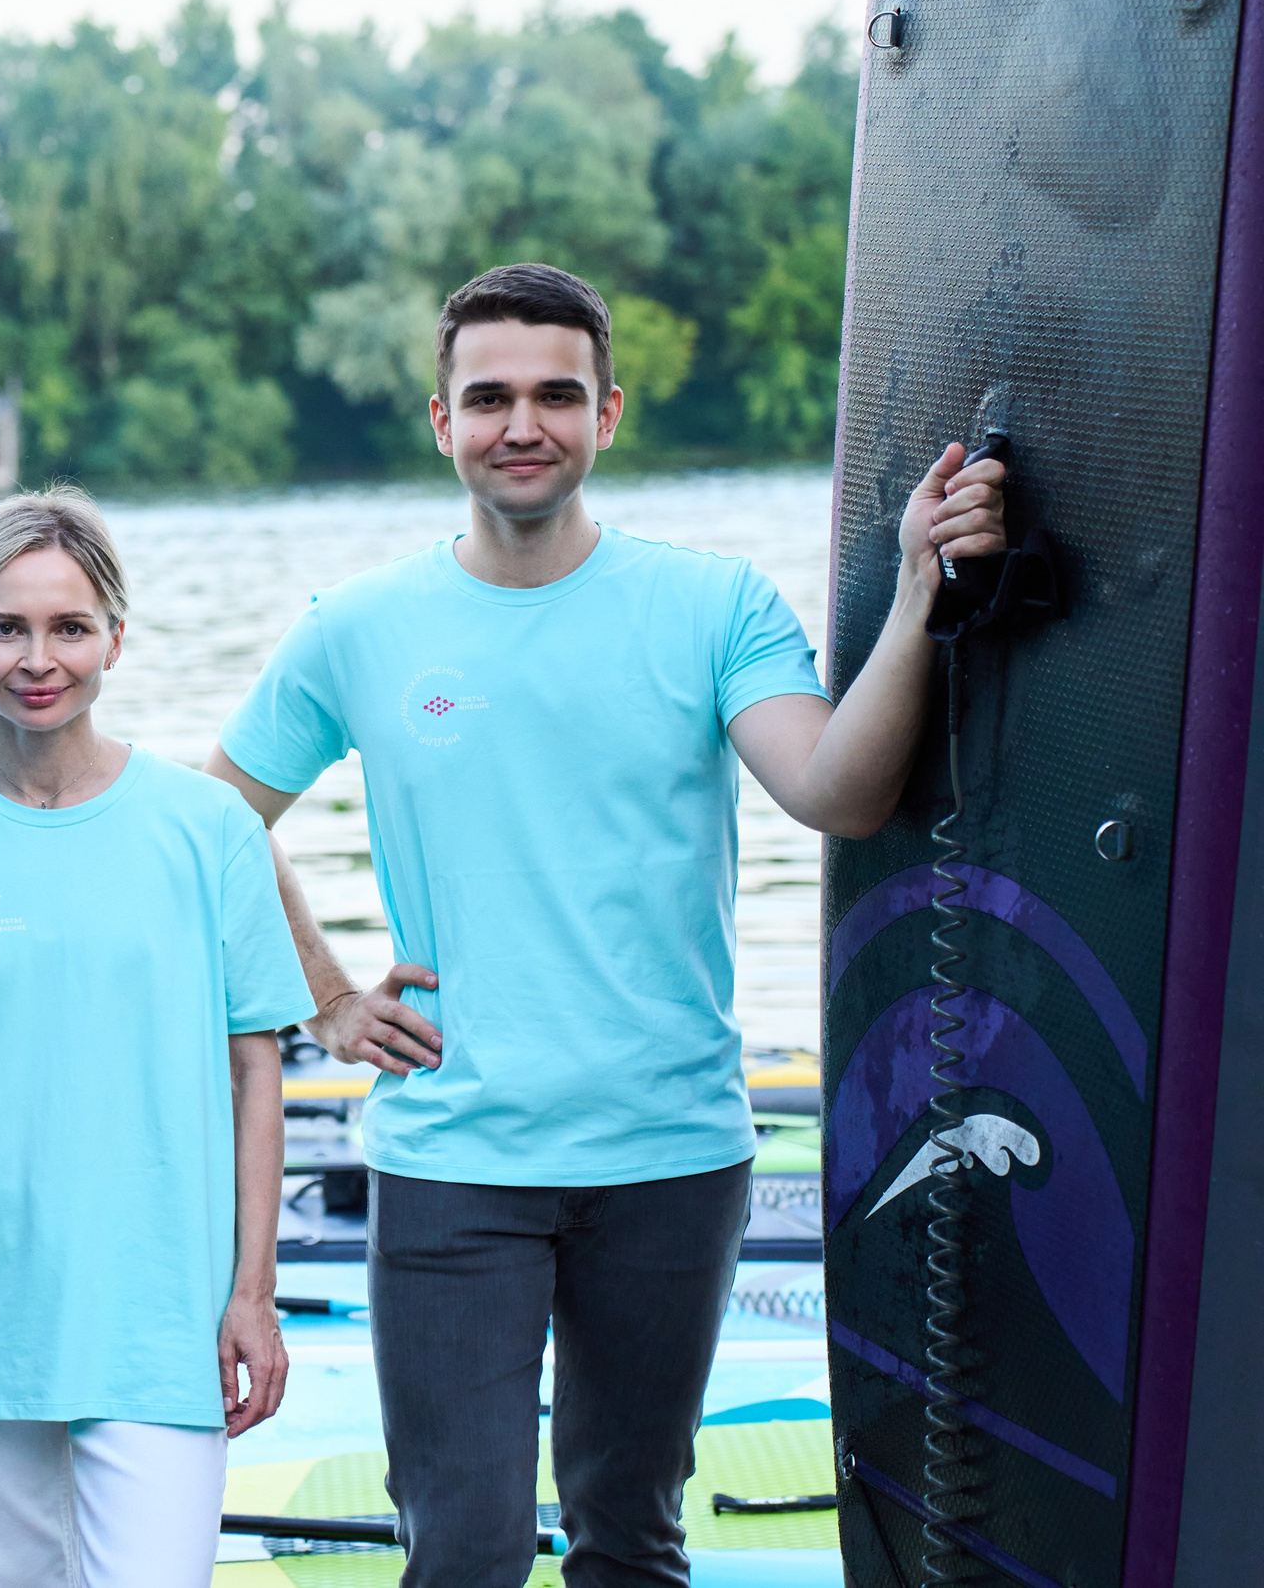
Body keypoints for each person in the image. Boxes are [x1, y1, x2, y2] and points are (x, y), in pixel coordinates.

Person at [203, 264, 1007, 1587]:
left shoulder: (713, 605)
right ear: (441, 420)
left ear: (609, 412)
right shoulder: (359, 626)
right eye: (492, 396)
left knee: (631, 1537)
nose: (525, 421)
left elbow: (839, 787)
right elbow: (216, 819)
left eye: (557, 393)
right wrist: (330, 998)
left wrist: (920, 588)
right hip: (456, 1151)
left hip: (668, 1151)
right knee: (460, 1550)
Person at [0, 488, 312, 1588]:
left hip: (158, 1312)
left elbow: (253, 1071)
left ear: (115, 639)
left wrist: (252, 1290)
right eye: (6, 627)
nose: (37, 659)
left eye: (69, 627)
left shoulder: (207, 828)